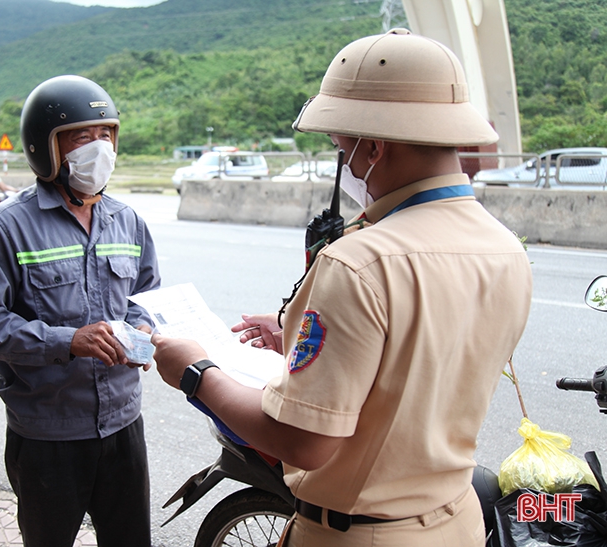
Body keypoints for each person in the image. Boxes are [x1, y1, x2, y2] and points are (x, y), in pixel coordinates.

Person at [151, 29, 533, 547]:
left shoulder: (361, 261)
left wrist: (197, 373)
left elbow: (303, 442)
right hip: (456, 522)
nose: (345, 165)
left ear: (373, 147)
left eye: (340, 148)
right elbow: (420, 365)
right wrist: (295, 336)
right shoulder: (506, 248)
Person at [0, 75, 160, 547]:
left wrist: (143, 329)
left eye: (106, 134)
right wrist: (68, 341)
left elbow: (146, 297)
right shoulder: (5, 227)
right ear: (45, 147)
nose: (100, 147)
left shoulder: (128, 220)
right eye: (83, 136)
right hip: (48, 436)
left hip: (124, 424)